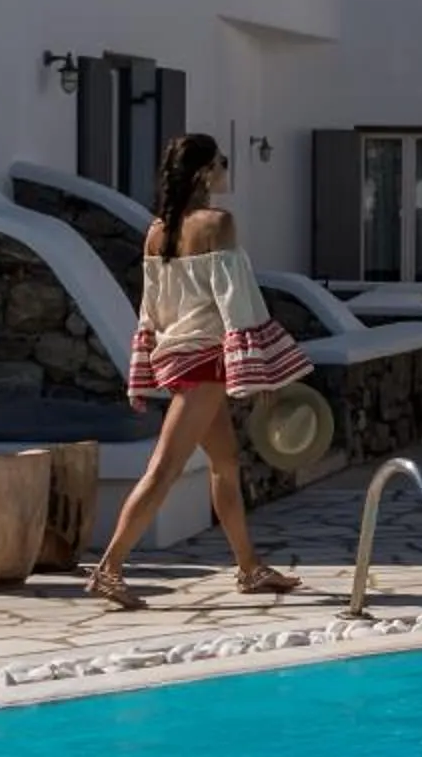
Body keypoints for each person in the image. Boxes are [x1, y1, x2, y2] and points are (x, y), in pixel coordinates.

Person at [87, 133, 302, 609]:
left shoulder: (156, 231)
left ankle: (249, 568)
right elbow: (237, 302)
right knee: (164, 470)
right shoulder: (218, 224)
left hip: (179, 356)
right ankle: (110, 569)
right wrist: (260, 369)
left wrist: (144, 364)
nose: (227, 170)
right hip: (204, 363)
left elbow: (152, 308)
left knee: (225, 465)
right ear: (206, 171)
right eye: (222, 162)